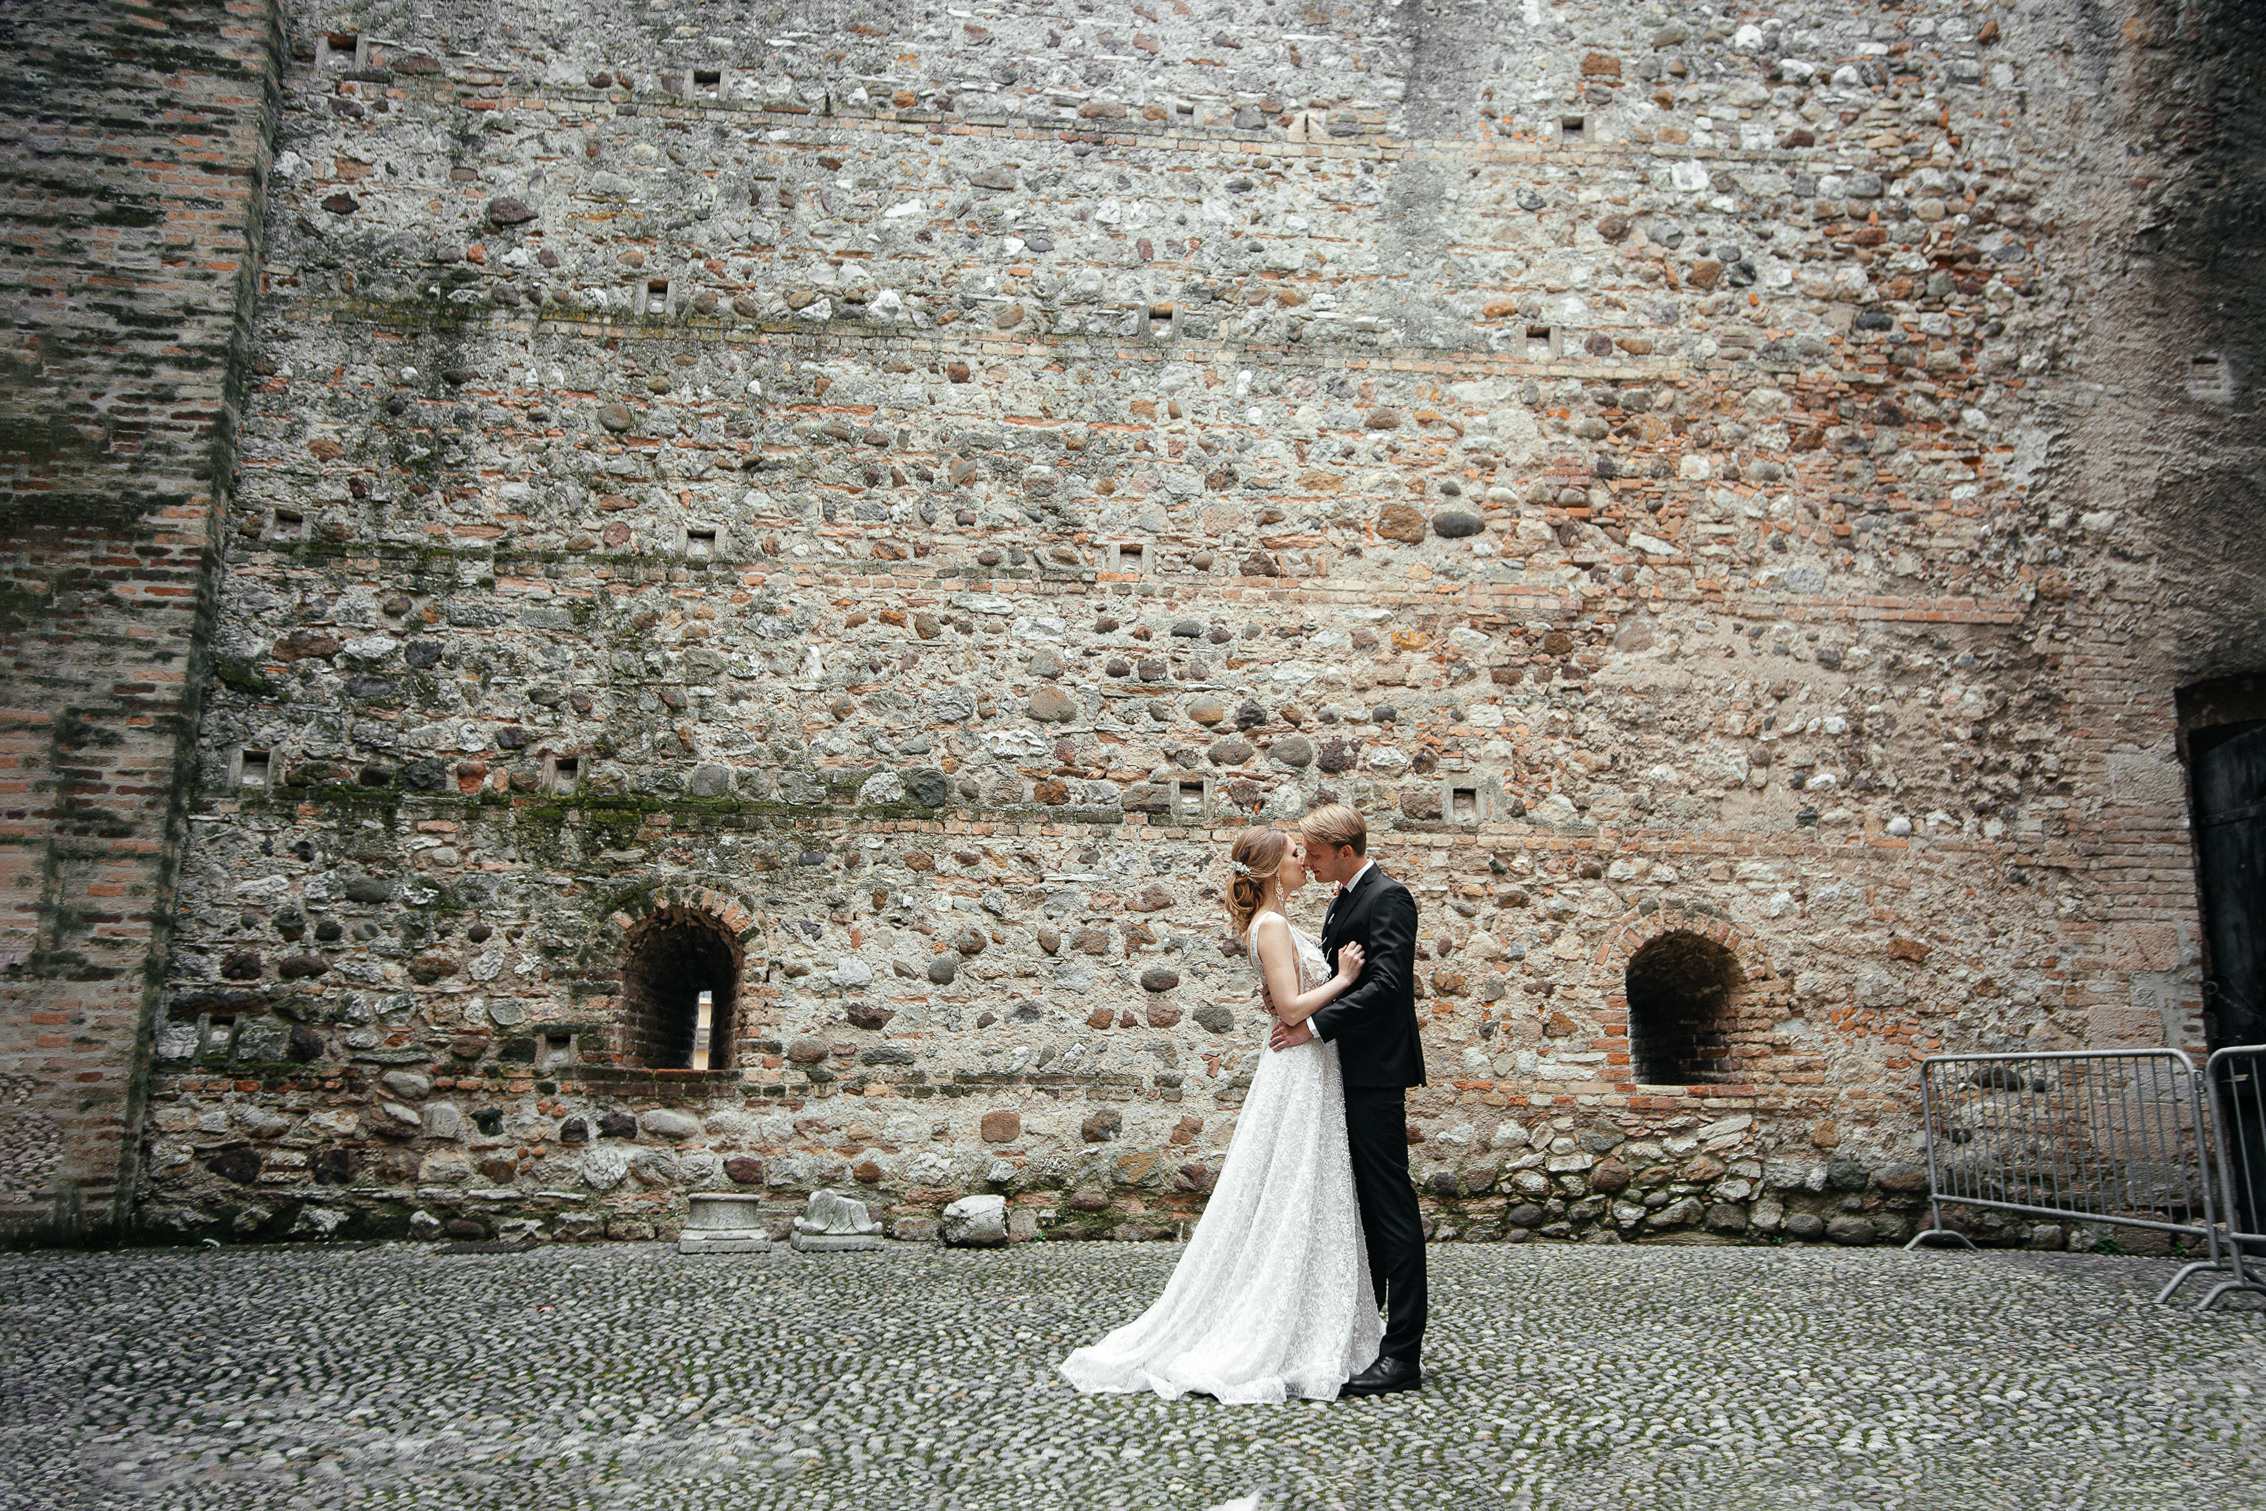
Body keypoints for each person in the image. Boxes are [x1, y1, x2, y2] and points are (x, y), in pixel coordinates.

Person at [1058, 825, 1380, 1403]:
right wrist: (1345, 979)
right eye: (1295, 855)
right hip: (1299, 1066)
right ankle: (1278, 1326)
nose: (1304, 860)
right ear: (1271, 869)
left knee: (1304, 1182)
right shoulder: (1272, 925)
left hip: (1308, 1064)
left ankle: (1309, 1315)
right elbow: (1290, 1008)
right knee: (1295, 1180)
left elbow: (1283, 995)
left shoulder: (1275, 921)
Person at [1268, 802, 1427, 1396]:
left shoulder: (1389, 898)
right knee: (1358, 1208)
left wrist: (1312, 1027)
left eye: (1313, 854)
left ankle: (1402, 1355)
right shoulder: (1342, 899)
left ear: (1345, 851)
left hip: (1374, 1075)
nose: (1307, 862)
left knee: (1391, 1208)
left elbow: (1387, 985)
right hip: (1342, 1073)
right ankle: (1364, 1335)